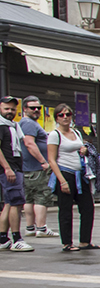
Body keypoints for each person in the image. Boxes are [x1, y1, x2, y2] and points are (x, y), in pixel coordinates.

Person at [45, 105, 98, 252]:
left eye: (67, 114)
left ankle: (85, 241)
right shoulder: (54, 135)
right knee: (66, 209)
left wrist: (84, 150)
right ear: (56, 118)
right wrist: (62, 181)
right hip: (65, 173)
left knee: (88, 208)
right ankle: (67, 243)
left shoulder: (76, 132)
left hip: (80, 174)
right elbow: (52, 160)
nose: (65, 117)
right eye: (61, 115)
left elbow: (81, 150)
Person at [14, 97, 53, 238]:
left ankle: (30, 227)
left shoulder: (26, 123)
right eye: (32, 108)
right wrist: (43, 162)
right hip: (36, 168)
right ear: (24, 109)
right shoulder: (28, 123)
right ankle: (41, 228)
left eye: (38, 108)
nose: (36, 110)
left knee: (29, 199)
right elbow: (30, 143)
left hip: (29, 168)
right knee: (41, 197)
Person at [0, 98, 31, 251]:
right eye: (6, 109)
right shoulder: (1, 126)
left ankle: (2, 239)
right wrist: (7, 168)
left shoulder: (13, 126)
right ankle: (16, 238)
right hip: (10, 169)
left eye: (12, 109)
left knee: (9, 203)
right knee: (16, 203)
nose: (10, 112)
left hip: (14, 168)